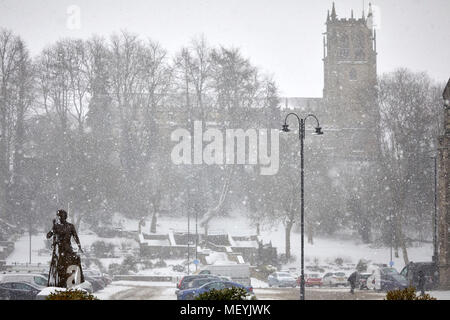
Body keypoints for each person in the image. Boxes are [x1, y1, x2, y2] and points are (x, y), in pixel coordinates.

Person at [46, 209, 84, 288]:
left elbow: (75, 237)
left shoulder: (70, 226)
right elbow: (48, 236)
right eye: (59, 216)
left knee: (72, 263)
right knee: (60, 269)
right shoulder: (56, 226)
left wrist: (79, 246)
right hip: (59, 250)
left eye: (61, 216)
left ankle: (71, 281)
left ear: (65, 217)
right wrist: (53, 227)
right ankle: (63, 283)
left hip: (67, 249)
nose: (60, 218)